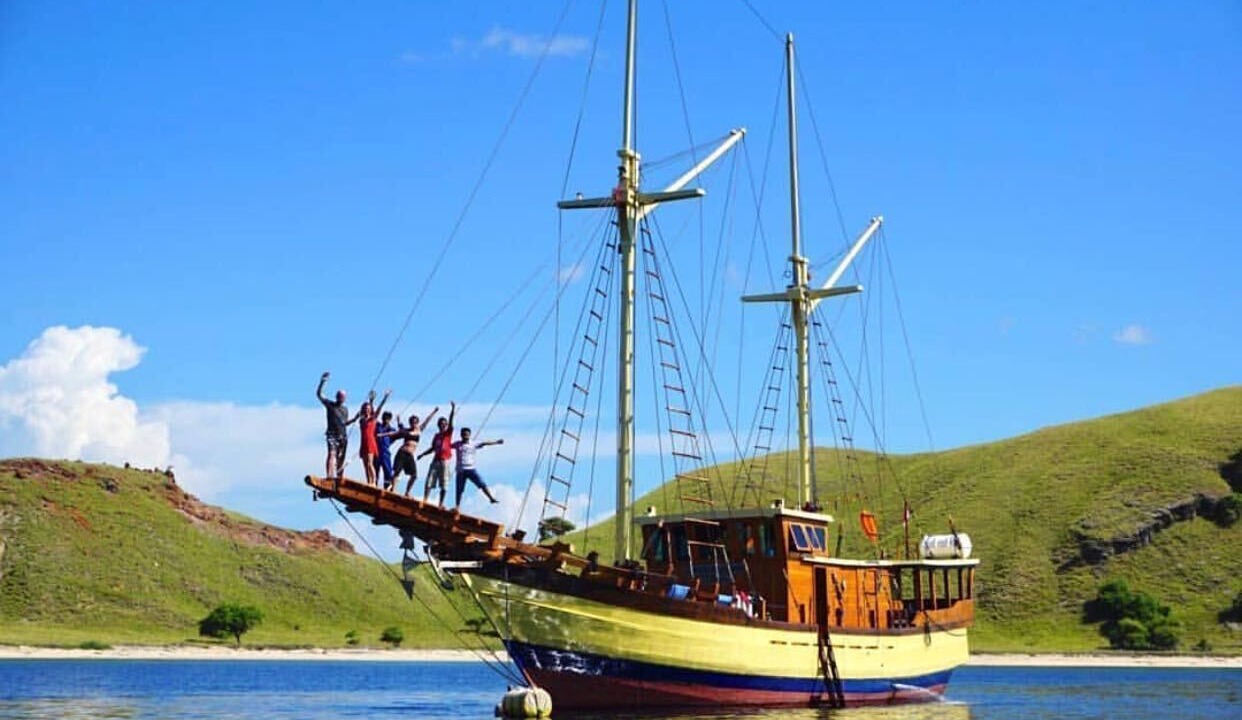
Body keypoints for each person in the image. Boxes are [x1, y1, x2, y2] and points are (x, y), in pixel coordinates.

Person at [381, 408, 438, 496]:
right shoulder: (406, 431)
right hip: (402, 453)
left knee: (414, 475)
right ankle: (393, 490)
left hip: (410, 455)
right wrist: (381, 435)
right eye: (412, 422)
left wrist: (434, 412)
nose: (413, 424)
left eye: (415, 422)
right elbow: (395, 432)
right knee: (397, 472)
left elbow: (427, 420)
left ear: (417, 423)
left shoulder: (419, 430)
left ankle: (407, 492)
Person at [316, 371, 360, 479]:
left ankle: (340, 476)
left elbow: (344, 423)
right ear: (336, 397)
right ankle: (330, 476)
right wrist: (323, 382)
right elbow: (319, 394)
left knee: (341, 458)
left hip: (342, 436)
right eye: (339, 396)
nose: (341, 398)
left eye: (343, 396)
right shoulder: (330, 405)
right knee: (332, 454)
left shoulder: (345, 409)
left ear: (345, 398)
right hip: (332, 434)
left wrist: (354, 419)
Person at [451, 426, 502, 507]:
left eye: (467, 434)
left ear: (469, 435)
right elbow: (448, 445)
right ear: (461, 435)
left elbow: (485, 443)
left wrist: (496, 442)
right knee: (459, 489)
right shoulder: (457, 444)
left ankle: (491, 498)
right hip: (460, 470)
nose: (465, 436)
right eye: (464, 434)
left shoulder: (473, 443)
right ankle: (457, 506)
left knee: (481, 483)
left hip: (471, 469)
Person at [417, 402, 456, 506]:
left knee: (444, 482)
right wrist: (422, 455)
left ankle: (441, 503)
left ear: (446, 425)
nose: (443, 425)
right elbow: (433, 448)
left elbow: (452, 422)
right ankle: (425, 499)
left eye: (444, 424)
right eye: (441, 424)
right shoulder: (437, 436)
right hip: (436, 460)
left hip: (445, 460)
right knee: (429, 480)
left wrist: (452, 410)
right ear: (438, 425)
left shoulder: (448, 433)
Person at [357, 389, 392, 486]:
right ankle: (369, 482)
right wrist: (371, 401)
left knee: (369, 463)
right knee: (365, 465)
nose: (367, 409)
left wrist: (385, 398)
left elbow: (379, 409)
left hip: (370, 442)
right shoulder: (362, 420)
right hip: (363, 442)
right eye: (365, 408)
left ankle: (373, 482)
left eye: (368, 408)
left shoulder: (373, 419)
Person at [374, 410, 398, 490]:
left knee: (388, 471)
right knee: (375, 471)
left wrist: (399, 422)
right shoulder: (378, 426)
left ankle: (386, 488)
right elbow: (373, 416)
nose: (385, 420)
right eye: (384, 418)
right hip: (376, 452)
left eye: (387, 419)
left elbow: (399, 433)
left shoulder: (391, 430)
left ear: (390, 419)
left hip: (385, 453)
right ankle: (374, 485)